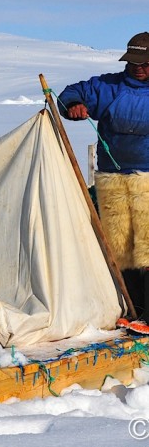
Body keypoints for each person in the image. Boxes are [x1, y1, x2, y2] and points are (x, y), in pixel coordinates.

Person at [58, 31, 149, 319]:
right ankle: (134, 311)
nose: (139, 68)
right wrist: (73, 106)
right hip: (112, 179)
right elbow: (69, 95)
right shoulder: (108, 87)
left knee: (147, 247)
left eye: (145, 63)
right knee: (120, 248)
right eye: (134, 63)